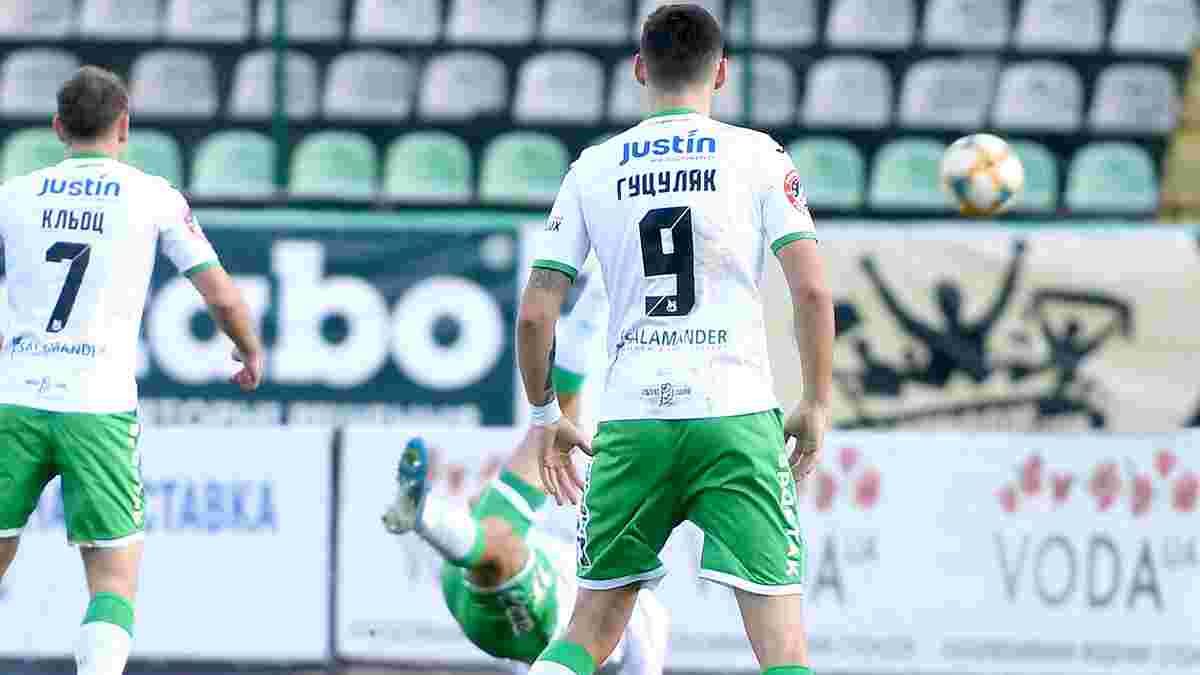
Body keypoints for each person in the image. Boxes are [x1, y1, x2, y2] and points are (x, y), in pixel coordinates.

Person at [515, 5, 835, 675]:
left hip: (634, 421)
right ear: (721, 73)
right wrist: (816, 401)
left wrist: (545, 415)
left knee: (588, 631)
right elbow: (810, 291)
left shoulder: (593, 168)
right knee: (783, 650)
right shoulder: (758, 155)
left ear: (640, 69)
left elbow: (536, 315)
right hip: (736, 417)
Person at [0, 66, 264, 675]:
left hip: (15, 399)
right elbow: (221, 297)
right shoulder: (153, 197)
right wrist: (248, 348)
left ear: (57, 127)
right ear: (124, 125)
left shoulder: (14, 194)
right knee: (113, 582)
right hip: (98, 405)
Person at [381, 272, 670, 675]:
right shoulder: (597, 494)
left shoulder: (643, 622)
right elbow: (566, 397)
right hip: (474, 575)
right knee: (547, 437)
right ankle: (426, 513)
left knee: (503, 546)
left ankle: (426, 514)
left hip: (528, 620)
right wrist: (604, 289)